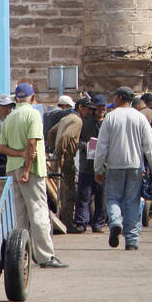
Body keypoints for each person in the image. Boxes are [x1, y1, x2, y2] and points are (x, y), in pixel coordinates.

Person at [0, 83, 67, 268]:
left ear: (16, 99)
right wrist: (27, 168)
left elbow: (2, 148)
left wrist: (19, 155)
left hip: (12, 168)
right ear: (32, 97)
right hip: (30, 170)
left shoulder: (9, 118)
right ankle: (45, 256)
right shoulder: (33, 114)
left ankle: (20, 255)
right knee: (38, 212)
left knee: (20, 215)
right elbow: (32, 144)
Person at [94, 86, 152, 250]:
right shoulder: (140, 118)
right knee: (133, 202)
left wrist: (98, 169)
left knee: (113, 198)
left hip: (115, 166)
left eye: (114, 97)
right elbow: (150, 146)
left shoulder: (110, 118)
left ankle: (115, 221)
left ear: (120, 98)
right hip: (135, 166)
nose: (113, 100)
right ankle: (131, 240)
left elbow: (101, 147)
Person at [51, 96, 94, 232]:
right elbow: (66, 137)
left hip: (61, 158)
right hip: (67, 159)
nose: (89, 113)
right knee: (69, 192)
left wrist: (52, 149)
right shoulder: (77, 120)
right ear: (80, 107)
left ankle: (62, 221)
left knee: (62, 191)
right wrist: (60, 154)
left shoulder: (66, 118)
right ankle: (67, 224)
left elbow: (52, 132)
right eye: (88, 109)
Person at [73, 94, 109, 233]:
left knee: (102, 197)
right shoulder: (84, 122)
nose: (101, 109)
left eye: (103, 107)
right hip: (87, 165)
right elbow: (76, 141)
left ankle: (98, 223)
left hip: (104, 167)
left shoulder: (108, 122)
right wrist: (86, 146)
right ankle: (81, 223)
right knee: (84, 196)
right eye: (98, 107)